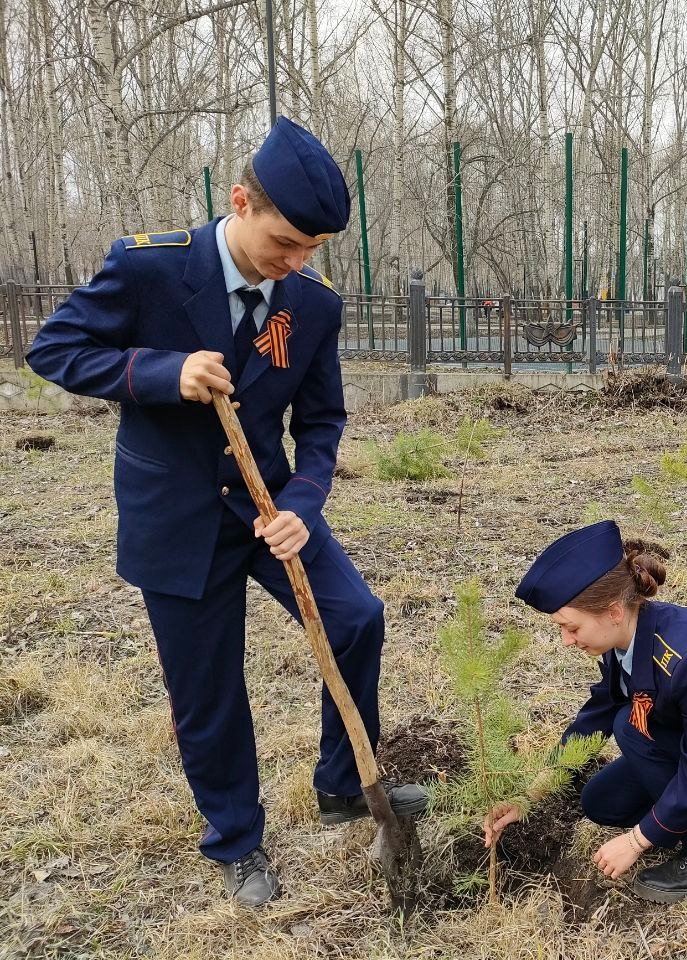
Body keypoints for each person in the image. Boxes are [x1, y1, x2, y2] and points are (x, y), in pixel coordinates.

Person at [26, 117, 426, 907]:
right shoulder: (148, 269)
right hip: (173, 517)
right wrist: (160, 371)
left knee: (355, 617)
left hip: (267, 506)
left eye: (312, 250)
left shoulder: (311, 306)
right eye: (285, 243)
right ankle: (237, 840)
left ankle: (344, 785)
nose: (295, 262)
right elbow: (54, 349)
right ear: (240, 201)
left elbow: (321, 423)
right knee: (208, 688)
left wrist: (303, 506)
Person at [483, 521, 687, 903]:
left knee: (631, 725)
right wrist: (533, 791)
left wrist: (637, 840)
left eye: (571, 627)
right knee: (602, 801)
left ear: (612, 611)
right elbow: (599, 709)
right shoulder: (624, 637)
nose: (566, 641)